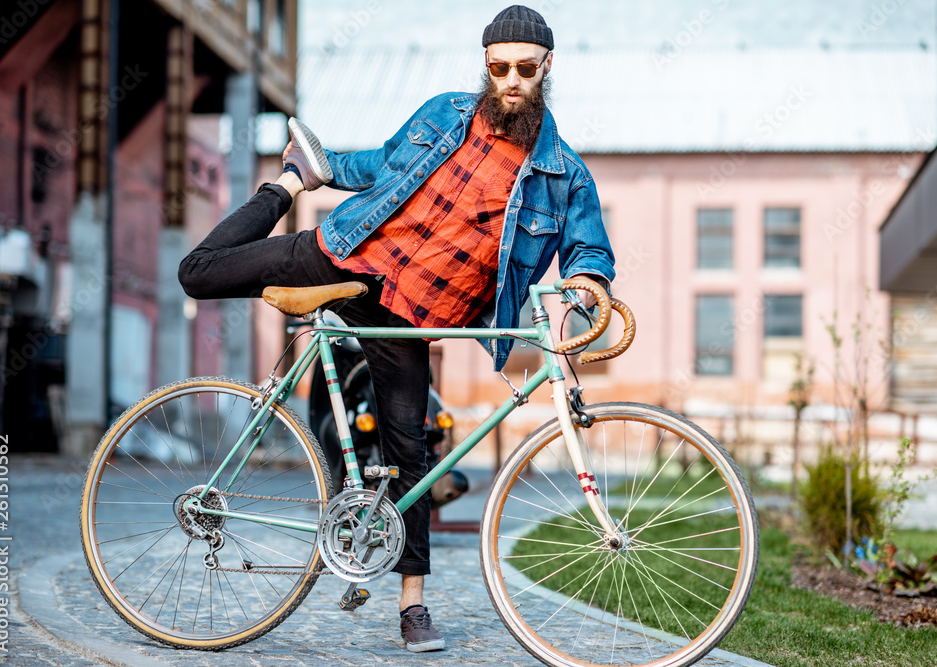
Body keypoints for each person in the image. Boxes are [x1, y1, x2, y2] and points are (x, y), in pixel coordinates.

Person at [178, 4, 615, 653]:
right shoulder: (445, 114)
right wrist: (318, 171)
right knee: (198, 271)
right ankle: (287, 181)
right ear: (487, 67)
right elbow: (386, 163)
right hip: (349, 253)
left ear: (547, 67)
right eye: (501, 67)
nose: (513, 79)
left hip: (409, 317)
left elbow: (589, 249)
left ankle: (412, 605)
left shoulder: (563, 174)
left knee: (409, 455)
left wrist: (588, 284)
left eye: (527, 67)